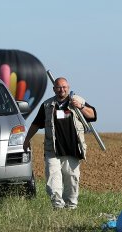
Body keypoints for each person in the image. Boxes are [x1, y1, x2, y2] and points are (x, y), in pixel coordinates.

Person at [23, 77, 97, 210]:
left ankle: (71, 206)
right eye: (58, 87)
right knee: (53, 179)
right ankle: (57, 206)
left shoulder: (77, 100)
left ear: (68, 88)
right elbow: (35, 124)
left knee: (72, 178)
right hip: (53, 150)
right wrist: (26, 140)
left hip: (73, 149)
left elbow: (93, 115)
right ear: (54, 89)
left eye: (64, 87)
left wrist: (80, 106)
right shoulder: (47, 105)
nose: (61, 90)